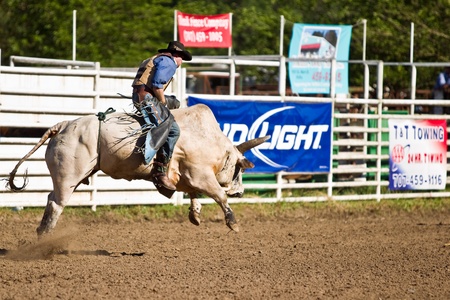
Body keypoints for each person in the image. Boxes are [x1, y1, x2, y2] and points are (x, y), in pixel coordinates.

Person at [131, 41, 192, 190]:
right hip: (147, 98)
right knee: (173, 130)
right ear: (177, 56)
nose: (181, 62)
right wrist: (163, 103)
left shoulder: (154, 58)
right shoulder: (169, 62)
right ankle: (160, 170)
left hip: (139, 95)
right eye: (182, 58)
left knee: (175, 102)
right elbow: (157, 86)